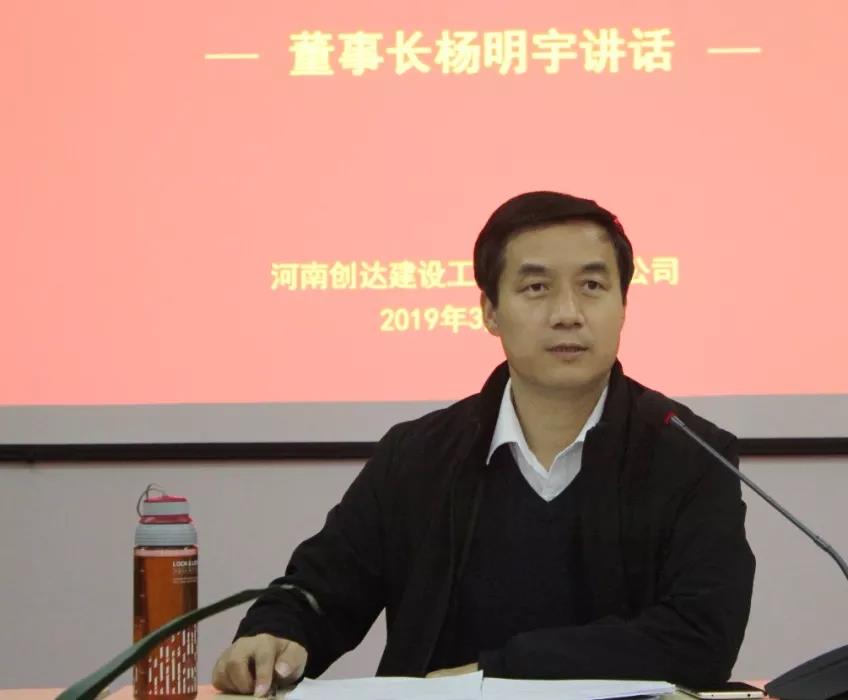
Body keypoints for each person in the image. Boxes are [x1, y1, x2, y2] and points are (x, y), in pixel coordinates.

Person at [211, 191, 755, 694]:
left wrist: (496, 675)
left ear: (623, 305)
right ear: (490, 312)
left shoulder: (691, 454)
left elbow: (700, 638)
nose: (568, 313)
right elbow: (323, 589)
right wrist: (274, 634)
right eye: (536, 288)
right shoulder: (417, 456)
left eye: (592, 286)